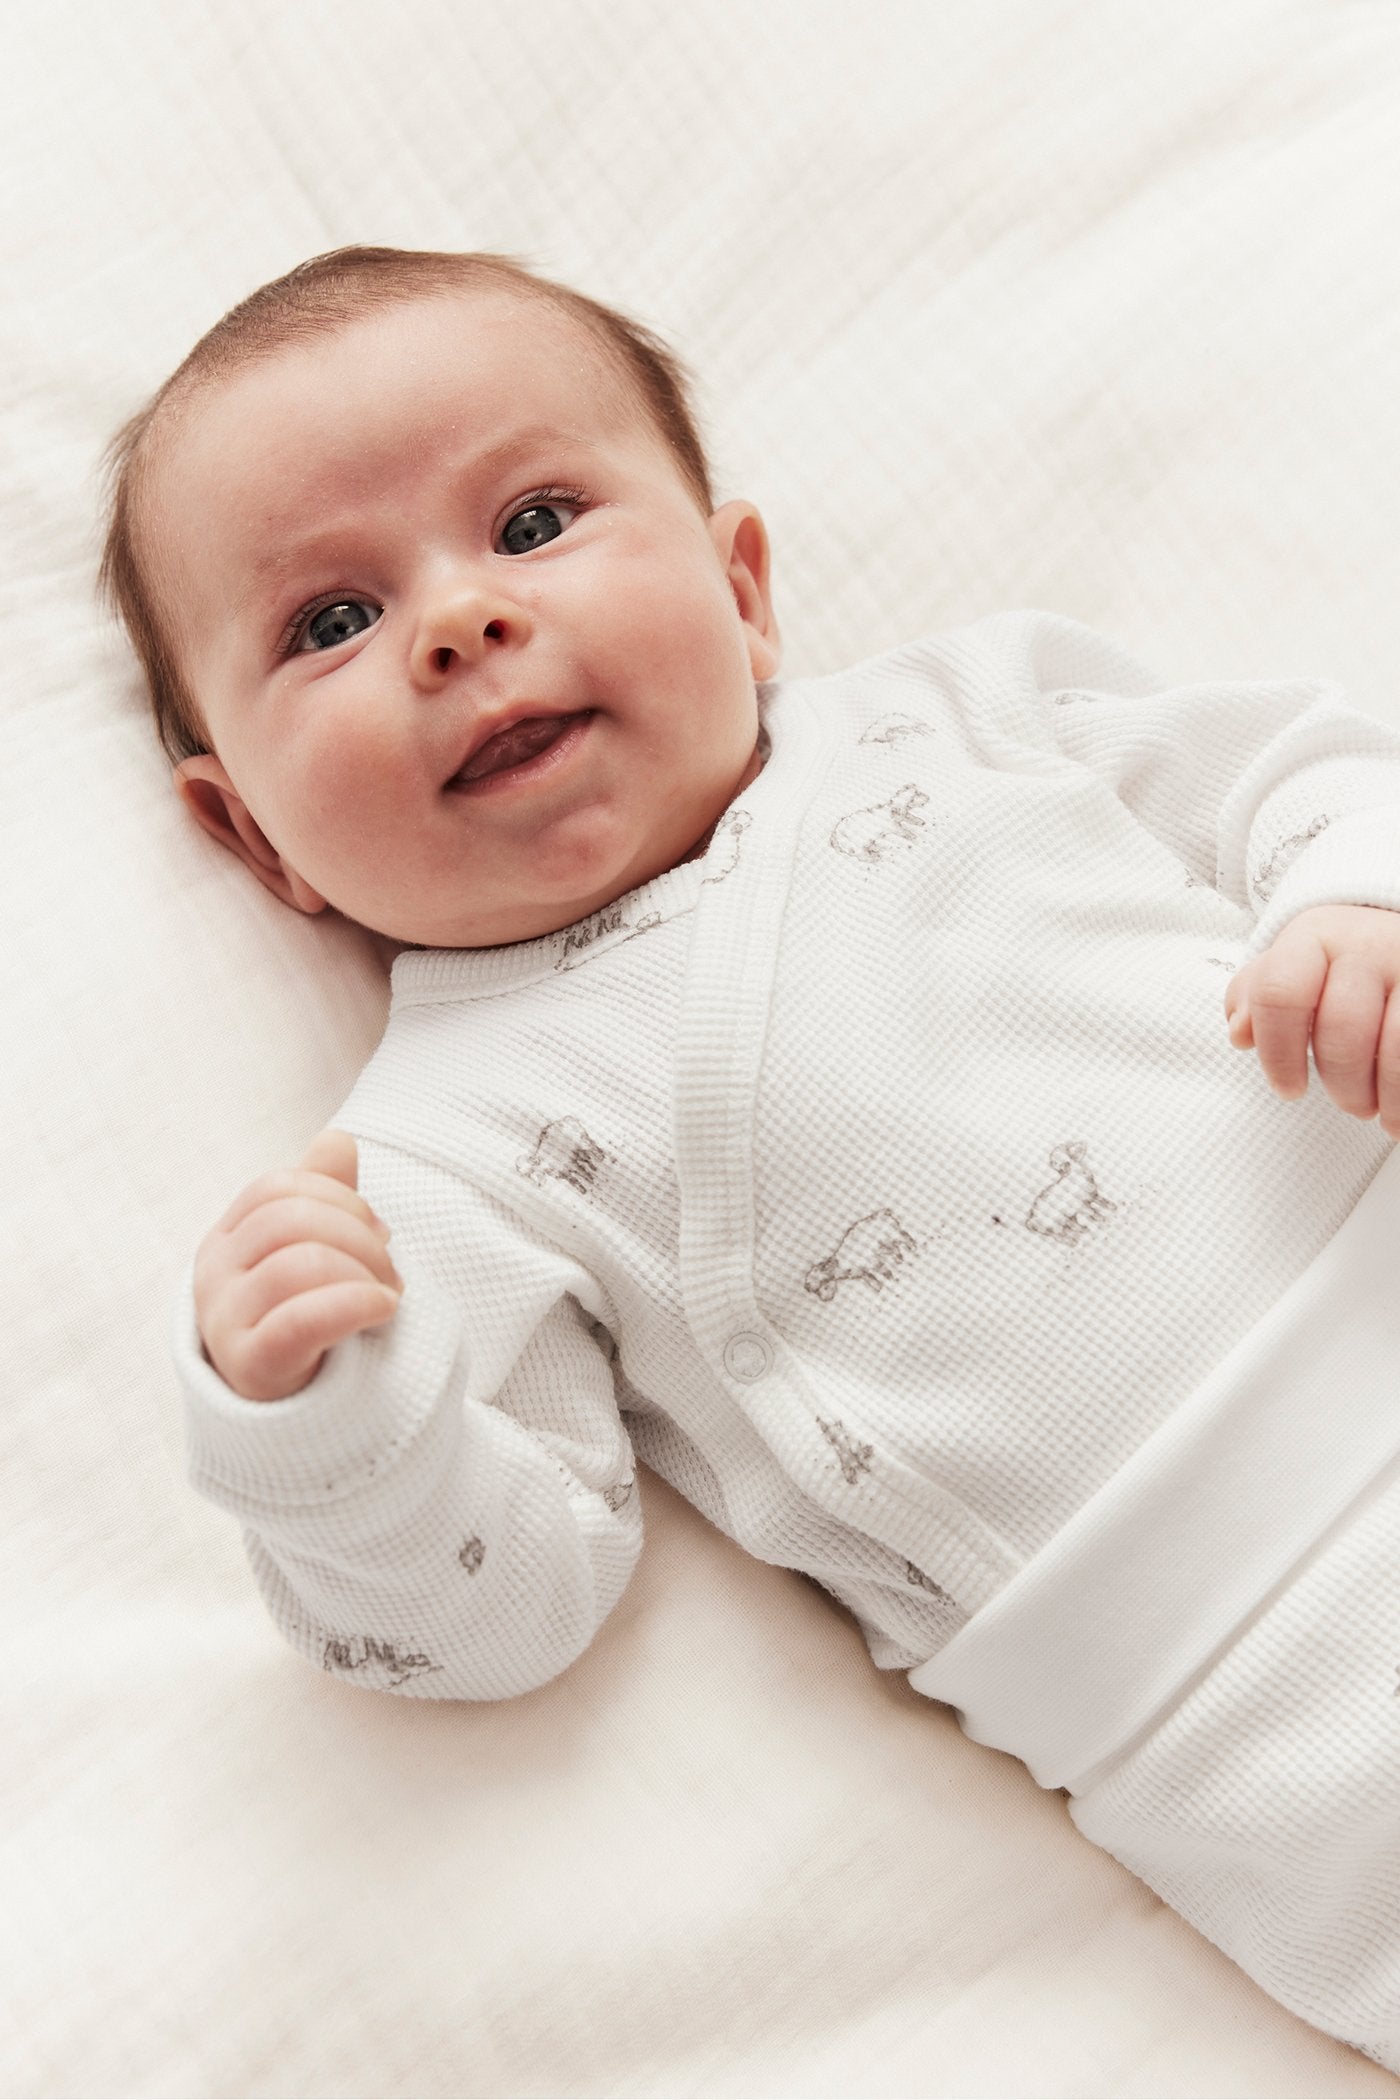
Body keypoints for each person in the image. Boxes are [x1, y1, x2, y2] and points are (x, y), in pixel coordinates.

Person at [103, 246, 1400, 2067]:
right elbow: (506, 1599)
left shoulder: (969, 712)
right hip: (1241, 1689)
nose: (456, 625)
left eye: (535, 519)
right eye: (328, 624)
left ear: (742, 587)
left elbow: (1294, 771)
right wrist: (321, 1425)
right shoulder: (428, 1158)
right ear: (254, 841)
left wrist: (1353, 894)